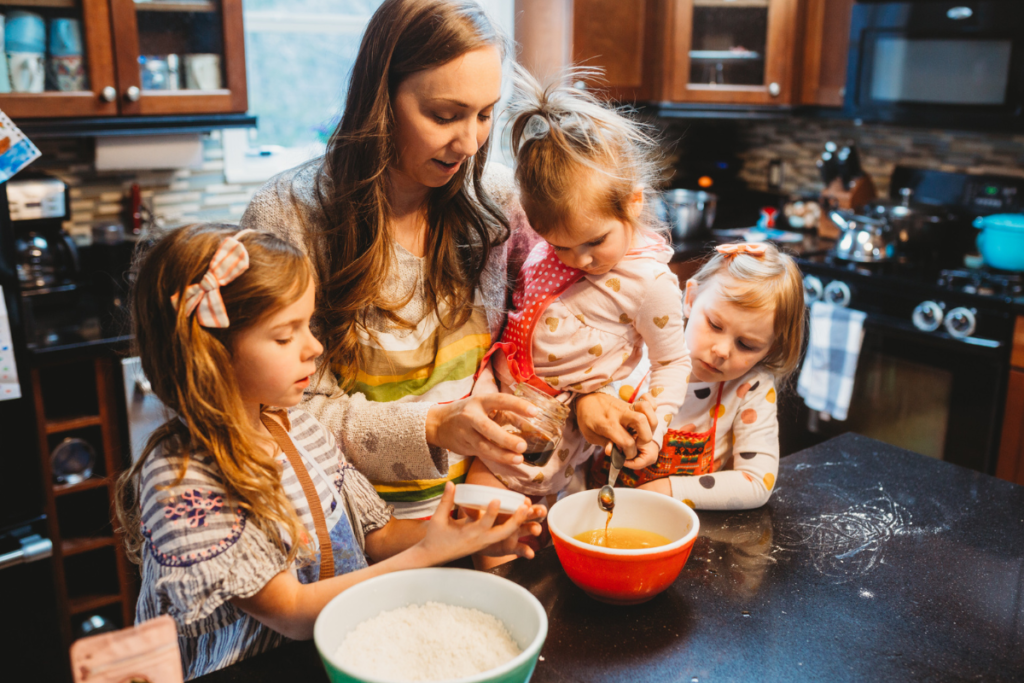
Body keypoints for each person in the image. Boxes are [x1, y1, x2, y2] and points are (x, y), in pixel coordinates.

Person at [240, 0, 652, 519]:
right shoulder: (289, 216)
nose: (469, 142)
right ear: (380, 96)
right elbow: (279, 412)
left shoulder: (502, 204)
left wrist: (586, 396)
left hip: (503, 517)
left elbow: (567, 331)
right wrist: (433, 426)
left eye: (484, 114)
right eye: (443, 115)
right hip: (362, 537)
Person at [115, 225, 545, 679]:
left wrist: (467, 533)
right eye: (285, 336)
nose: (314, 348)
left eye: (309, 325)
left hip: (335, 653)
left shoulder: (295, 423)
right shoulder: (184, 483)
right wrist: (428, 555)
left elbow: (375, 537)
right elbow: (294, 613)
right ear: (211, 354)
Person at [463, 67, 692, 567]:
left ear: (633, 203)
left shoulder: (649, 282)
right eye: (561, 245)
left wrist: (656, 419)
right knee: (489, 542)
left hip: (566, 438)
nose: (579, 260)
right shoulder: (548, 244)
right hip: (508, 418)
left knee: (547, 555)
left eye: (595, 243)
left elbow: (673, 363)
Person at [632, 241, 806, 509]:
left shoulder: (751, 386)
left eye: (746, 345)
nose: (722, 351)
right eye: (714, 325)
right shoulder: (636, 352)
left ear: (771, 348)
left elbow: (757, 482)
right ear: (690, 299)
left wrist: (666, 491)